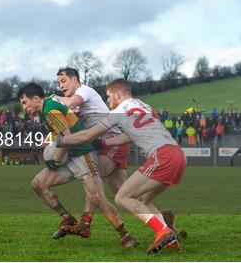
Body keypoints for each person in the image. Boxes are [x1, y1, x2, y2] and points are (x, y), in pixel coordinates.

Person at [57, 79, 185, 254]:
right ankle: (170, 237)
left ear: (117, 95)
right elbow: (128, 136)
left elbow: (88, 135)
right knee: (142, 199)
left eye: (109, 97)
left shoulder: (117, 112)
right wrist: (104, 143)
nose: (108, 101)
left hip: (160, 156)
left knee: (122, 198)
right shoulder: (144, 106)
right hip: (177, 154)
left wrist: (62, 140)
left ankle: (163, 231)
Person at [17, 83, 138, 248]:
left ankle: (126, 236)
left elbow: (66, 137)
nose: (24, 107)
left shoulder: (49, 111)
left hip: (83, 155)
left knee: (96, 197)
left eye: (24, 102)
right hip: (70, 156)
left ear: (36, 98)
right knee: (38, 184)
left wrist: (56, 159)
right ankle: (67, 218)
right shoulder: (50, 104)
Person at [54, 67, 143, 241]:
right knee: (124, 195)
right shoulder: (79, 101)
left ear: (75, 80)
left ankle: (85, 224)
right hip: (111, 144)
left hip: (112, 143)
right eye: (58, 83)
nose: (61, 86)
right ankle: (164, 220)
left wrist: (51, 99)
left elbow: (70, 104)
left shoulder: (84, 91)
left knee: (92, 181)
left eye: (63, 81)